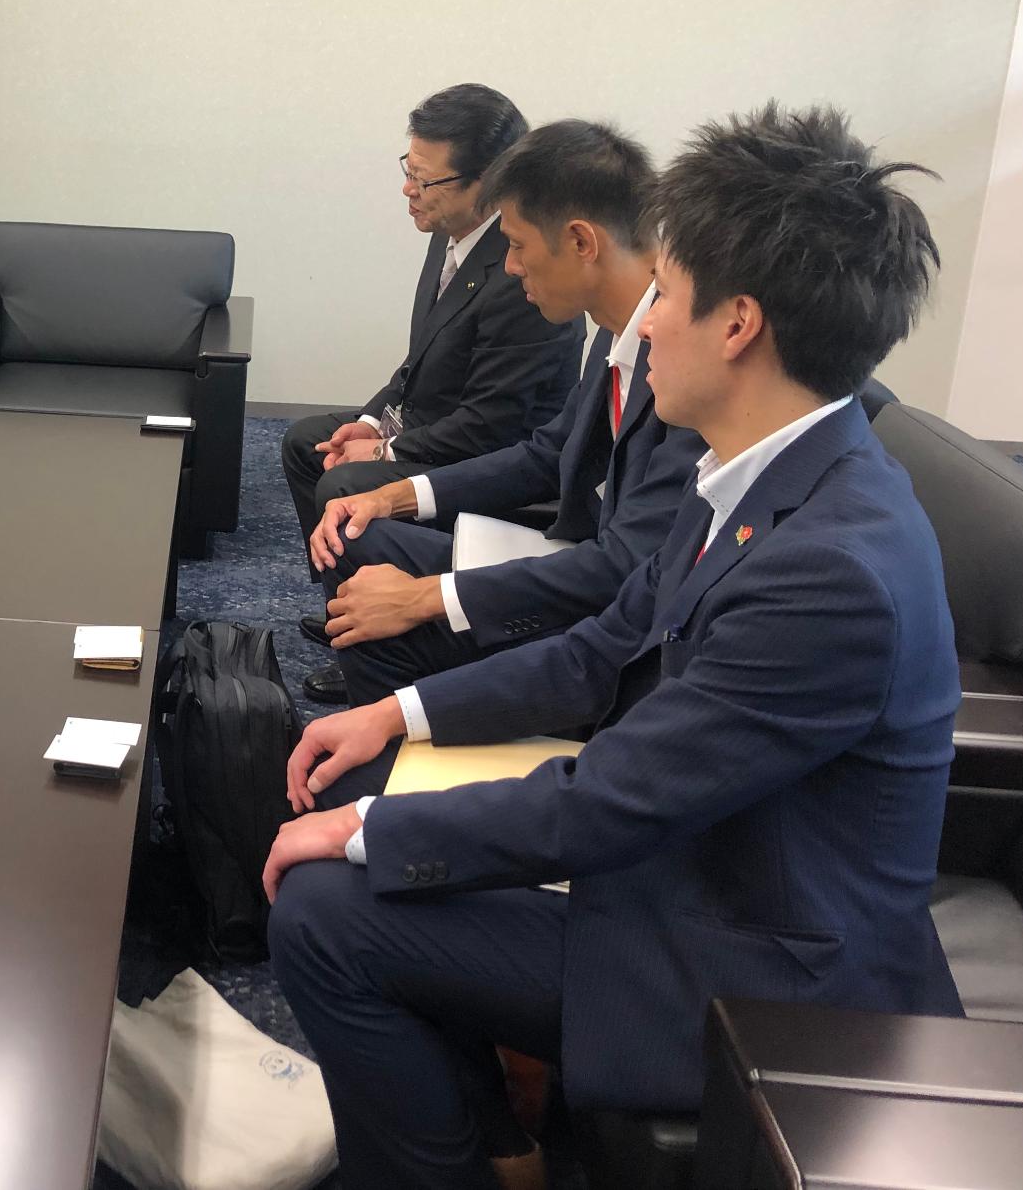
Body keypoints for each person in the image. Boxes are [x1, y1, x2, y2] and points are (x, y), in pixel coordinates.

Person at [262, 103, 960, 1189]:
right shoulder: (766, 471)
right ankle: (495, 1150)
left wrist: (369, 828)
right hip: (690, 867)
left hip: (751, 961)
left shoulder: (831, 571)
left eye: (668, 297)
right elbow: (606, 644)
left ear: (736, 324)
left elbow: (611, 801)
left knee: (327, 910)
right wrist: (392, 716)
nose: (645, 323)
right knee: (371, 800)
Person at [299, 120, 705, 704]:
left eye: (516, 245)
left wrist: (426, 596)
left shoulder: (682, 365)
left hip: (609, 621)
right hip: (576, 556)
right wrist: (395, 494)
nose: (510, 268)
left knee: (380, 627)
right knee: (360, 531)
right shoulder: (615, 332)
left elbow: (628, 566)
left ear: (581, 242)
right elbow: (548, 453)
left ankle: (398, 757)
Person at [283, 84, 583, 644]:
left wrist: (386, 452)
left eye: (425, 180)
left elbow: (492, 427)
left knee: (347, 485)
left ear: (488, 184)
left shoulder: (524, 275)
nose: (408, 189)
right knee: (306, 443)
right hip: (432, 424)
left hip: (493, 457)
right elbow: (417, 360)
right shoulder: (449, 231)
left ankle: (385, 637)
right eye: (409, 170)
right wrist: (371, 423)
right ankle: (347, 608)